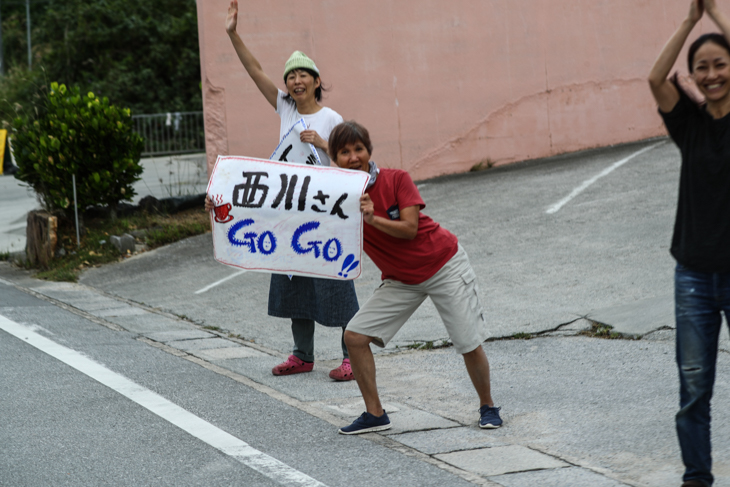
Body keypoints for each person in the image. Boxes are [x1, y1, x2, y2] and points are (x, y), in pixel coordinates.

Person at [206, 0, 359, 380]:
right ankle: (302, 355)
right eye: (291, 76)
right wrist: (232, 34)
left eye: (303, 75)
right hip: (289, 214)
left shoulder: (332, 118)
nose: (296, 81)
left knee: (335, 281)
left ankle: (350, 356)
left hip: (325, 215)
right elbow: (254, 69)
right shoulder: (285, 109)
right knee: (294, 280)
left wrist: (324, 144)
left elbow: (349, 163)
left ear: (317, 81)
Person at [326, 121, 502, 434]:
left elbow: (409, 229)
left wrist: (372, 218)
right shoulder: (334, 198)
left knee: (467, 342)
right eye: (344, 152)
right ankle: (375, 414)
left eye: (358, 149)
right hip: (401, 278)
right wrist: (223, 210)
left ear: (369, 151)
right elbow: (287, 217)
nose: (353, 157)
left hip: (443, 264)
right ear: (334, 159)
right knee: (354, 336)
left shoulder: (397, 179)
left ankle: (488, 406)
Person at [649, 1, 730, 485]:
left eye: (721, 63)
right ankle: (697, 476)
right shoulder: (690, 123)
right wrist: (689, 20)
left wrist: (717, 15)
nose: (712, 74)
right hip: (695, 275)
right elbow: (657, 79)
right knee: (695, 386)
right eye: (702, 68)